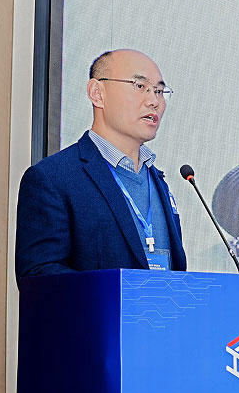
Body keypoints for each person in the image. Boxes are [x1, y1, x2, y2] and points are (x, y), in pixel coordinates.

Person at [15, 49, 186, 282]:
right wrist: (116, 294)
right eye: (140, 86)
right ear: (97, 93)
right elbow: (39, 277)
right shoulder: (52, 179)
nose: (154, 101)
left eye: (159, 91)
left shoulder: (159, 181)